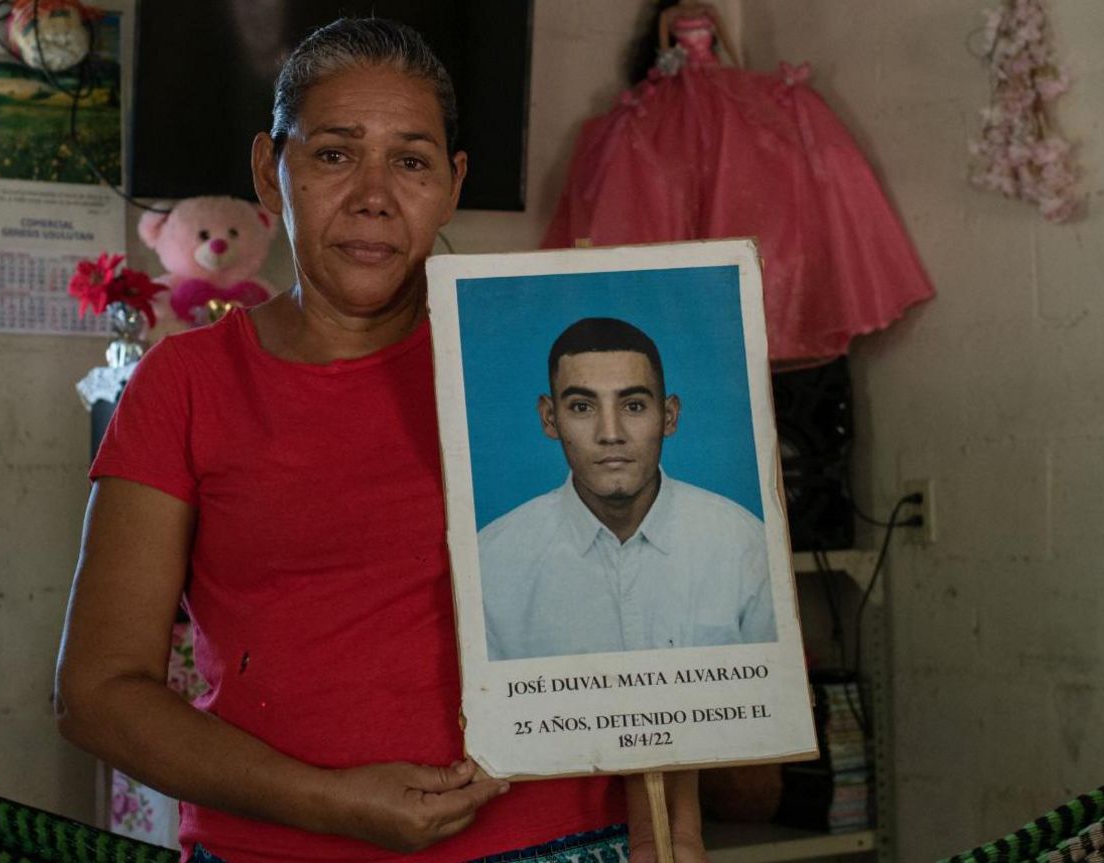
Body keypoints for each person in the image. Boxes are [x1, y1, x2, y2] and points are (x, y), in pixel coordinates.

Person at [53, 18, 707, 863]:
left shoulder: (534, 367)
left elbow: (657, 622)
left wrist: (673, 832)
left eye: (410, 160)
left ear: (451, 183)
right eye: (333, 154)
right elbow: (97, 692)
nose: (373, 194)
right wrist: (327, 802)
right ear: (268, 168)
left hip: (561, 843)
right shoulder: (186, 384)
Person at [542, 0, 934, 367]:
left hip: (714, 81)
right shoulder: (671, 13)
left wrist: (736, 73)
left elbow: (726, 45)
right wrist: (669, 70)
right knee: (681, 171)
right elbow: (665, 51)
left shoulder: (708, 11)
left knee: (736, 167)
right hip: (680, 84)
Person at [480, 317, 776, 662]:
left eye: (633, 406)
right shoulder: (491, 564)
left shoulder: (745, 544)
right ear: (549, 418)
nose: (610, 433)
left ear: (669, 416)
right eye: (582, 407)